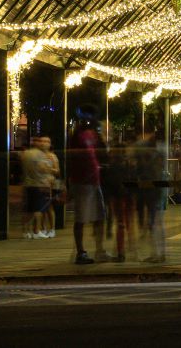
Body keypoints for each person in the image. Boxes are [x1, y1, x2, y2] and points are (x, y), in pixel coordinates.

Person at [69, 105, 108, 264]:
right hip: (82, 181)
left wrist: (101, 136)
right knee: (82, 218)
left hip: (94, 180)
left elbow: (103, 153)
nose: (88, 120)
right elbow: (72, 158)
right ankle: (81, 252)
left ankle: (100, 250)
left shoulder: (93, 134)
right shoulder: (77, 136)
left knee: (100, 217)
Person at [134, 129, 167, 263]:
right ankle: (158, 252)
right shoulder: (159, 151)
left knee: (154, 220)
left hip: (153, 189)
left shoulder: (154, 153)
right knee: (155, 220)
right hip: (154, 189)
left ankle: (158, 253)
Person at [21, 137, 54, 239]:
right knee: (39, 209)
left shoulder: (25, 154)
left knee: (28, 209)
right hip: (39, 184)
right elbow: (43, 168)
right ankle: (37, 230)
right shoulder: (40, 155)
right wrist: (50, 169)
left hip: (27, 184)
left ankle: (26, 231)